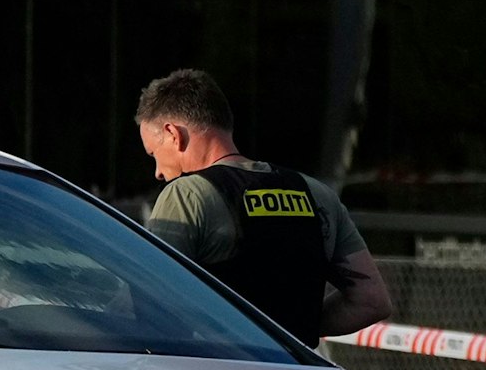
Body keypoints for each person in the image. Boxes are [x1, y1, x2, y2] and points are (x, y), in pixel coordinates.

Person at [137, 68, 392, 345]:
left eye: (154, 154)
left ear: (173, 134)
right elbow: (371, 301)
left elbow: (156, 311)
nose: (158, 172)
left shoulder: (187, 196)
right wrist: (286, 334)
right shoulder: (317, 194)